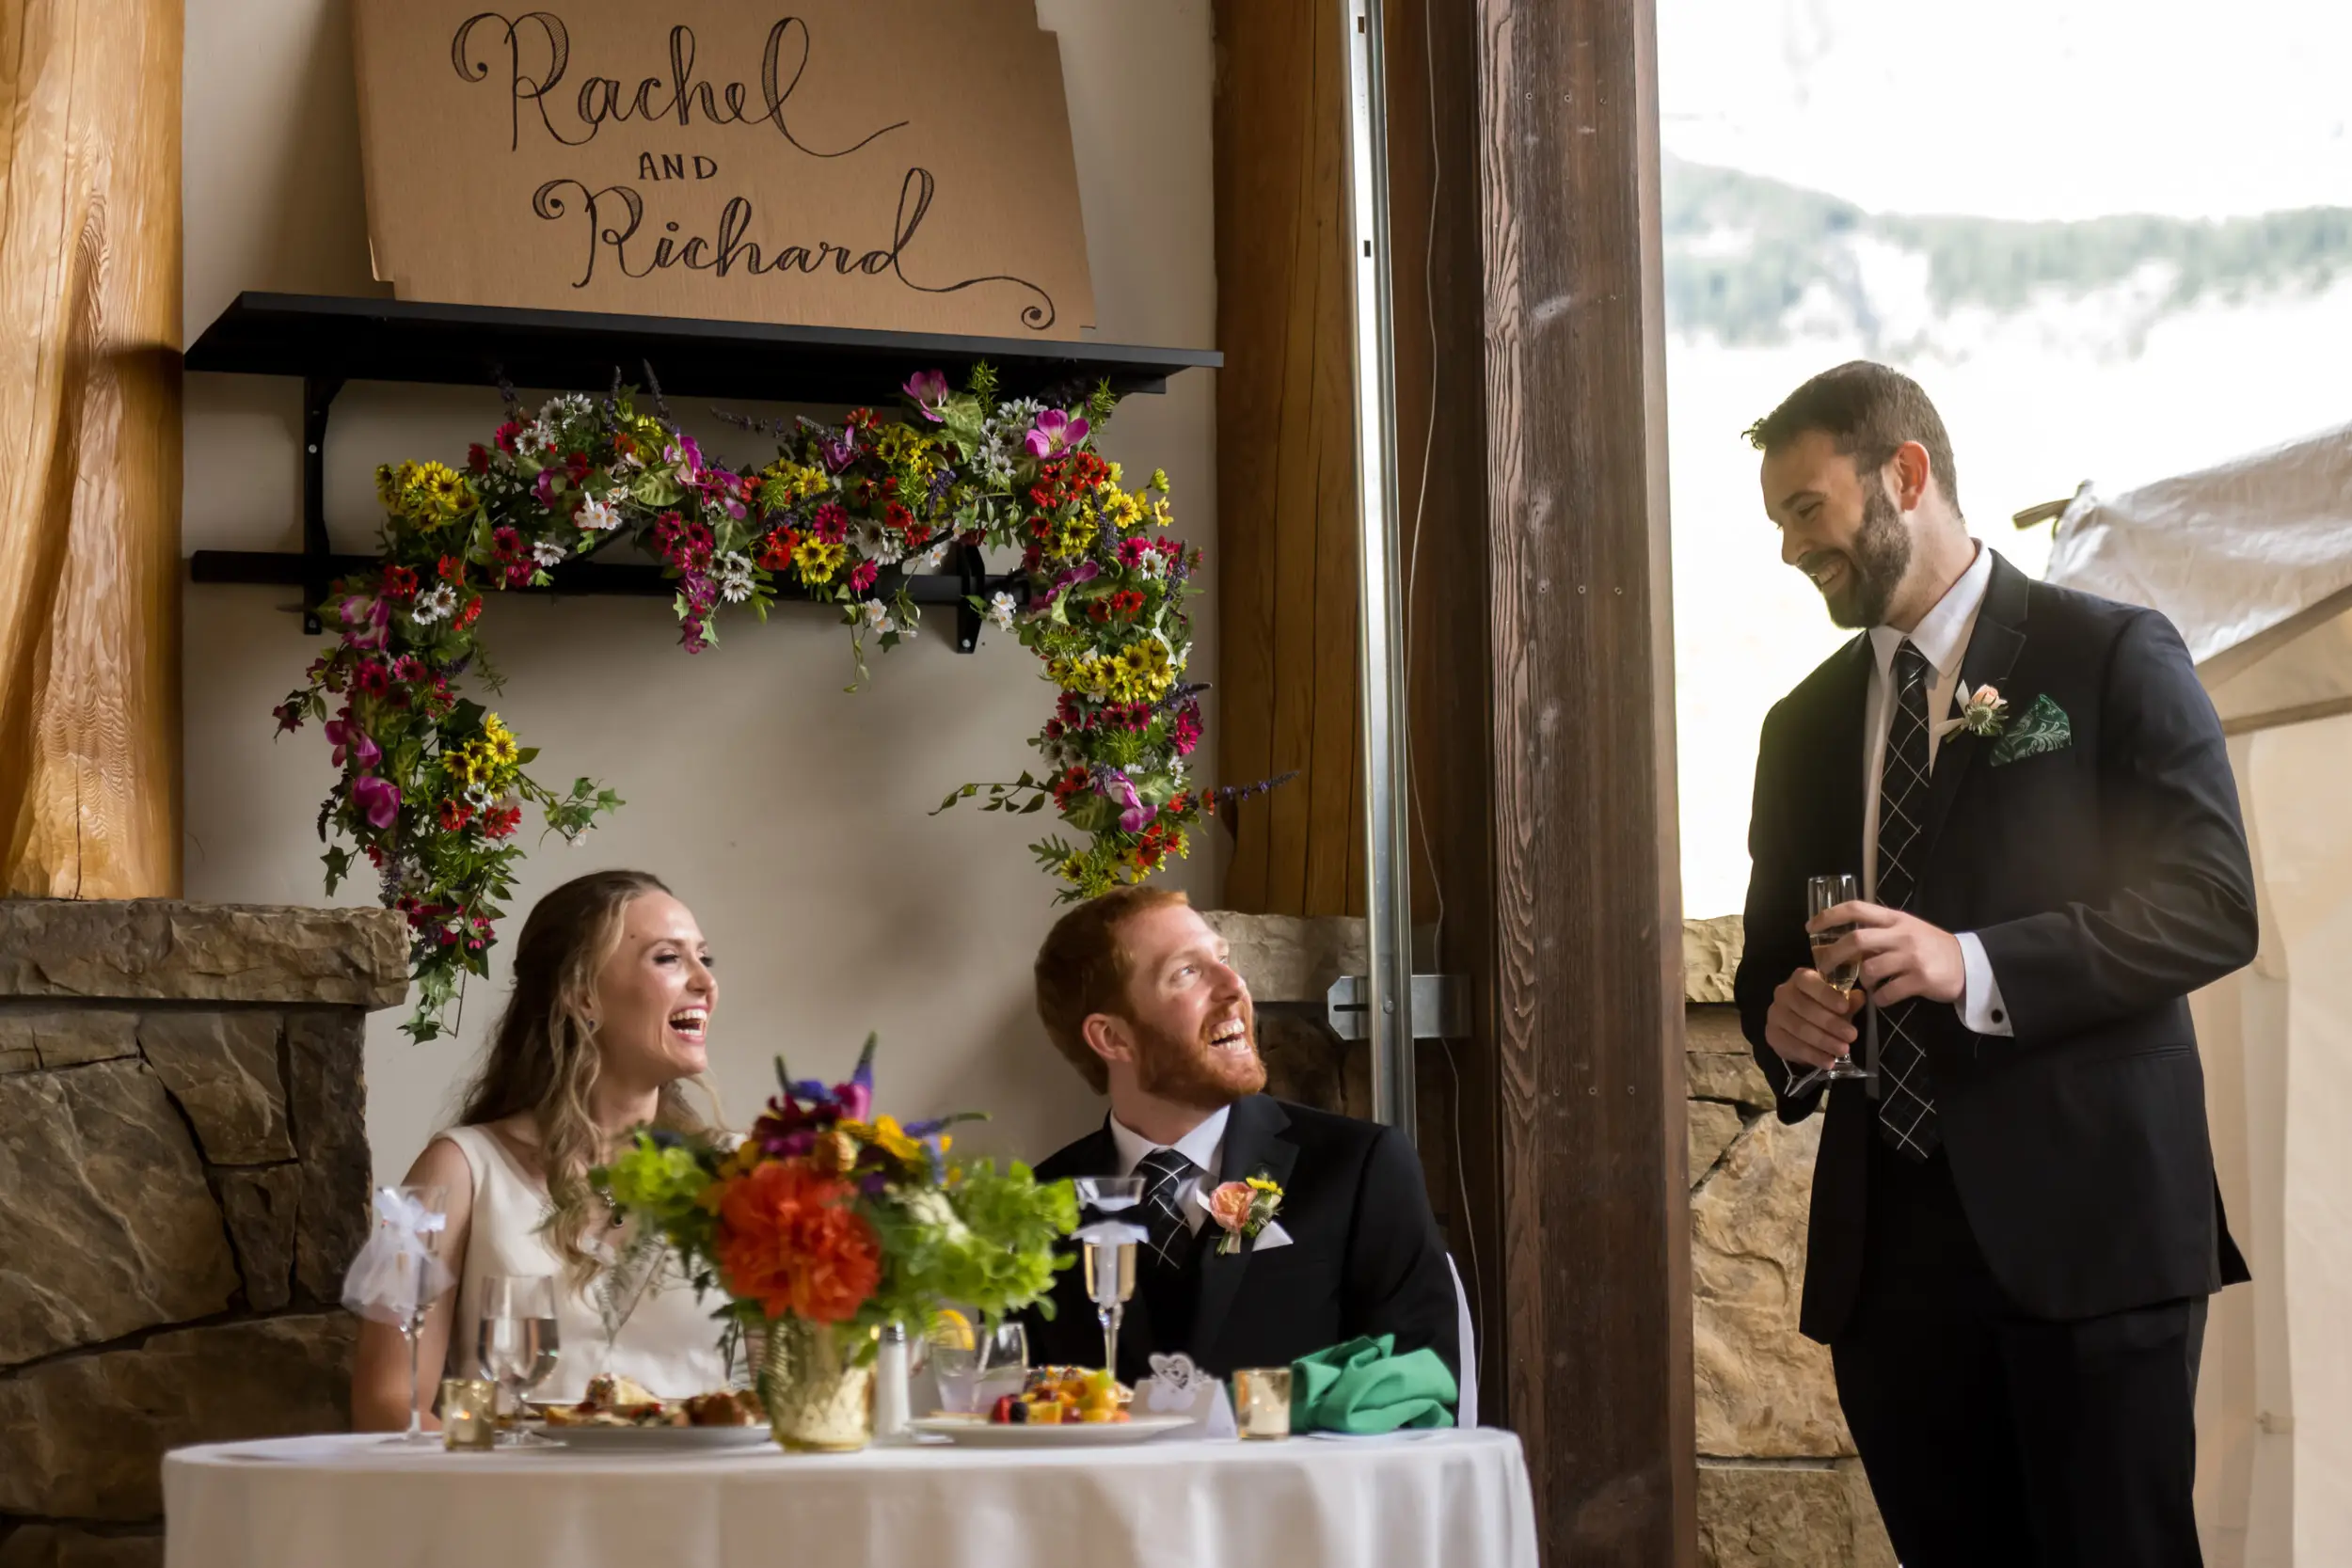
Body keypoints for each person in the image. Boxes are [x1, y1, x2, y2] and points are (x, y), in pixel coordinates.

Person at [1734, 361, 2255, 1566]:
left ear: (1902, 475)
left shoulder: (2108, 652)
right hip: (1892, 1264)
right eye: (1775, 522)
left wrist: (1966, 960)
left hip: (2090, 1232)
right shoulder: (1798, 728)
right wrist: (1792, 1023)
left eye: (1805, 509)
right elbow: (1774, 962)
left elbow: (2213, 905)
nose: (1787, 550)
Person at [1017, 886, 1459, 1387]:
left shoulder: (1361, 1167)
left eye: (1224, 958)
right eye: (1186, 972)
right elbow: (1013, 1420)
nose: (1234, 987)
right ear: (1112, 1038)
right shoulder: (1034, 1211)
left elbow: (1422, 1389)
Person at [351, 870, 730, 1428]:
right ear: (580, 994)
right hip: (517, 1503)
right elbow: (386, 1404)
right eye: (668, 958)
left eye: (704, 958)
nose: (705, 982)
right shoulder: (453, 1170)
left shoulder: (742, 1173)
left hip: (704, 1502)